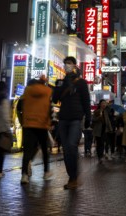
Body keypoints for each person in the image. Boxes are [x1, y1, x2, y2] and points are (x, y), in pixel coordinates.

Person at [52, 56, 91, 190]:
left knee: (71, 146)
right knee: (66, 150)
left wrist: (88, 118)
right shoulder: (61, 82)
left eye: (69, 63)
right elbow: (55, 99)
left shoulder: (81, 83)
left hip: (76, 118)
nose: (66, 65)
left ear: (74, 65)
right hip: (63, 119)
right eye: (65, 64)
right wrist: (58, 86)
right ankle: (72, 177)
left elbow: (86, 101)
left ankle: (74, 176)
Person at [19, 76, 53, 184]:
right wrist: (49, 122)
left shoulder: (27, 91)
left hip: (29, 123)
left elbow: (21, 106)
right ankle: (46, 172)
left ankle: (24, 175)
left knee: (27, 151)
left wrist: (23, 121)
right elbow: (49, 108)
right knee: (44, 149)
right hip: (42, 124)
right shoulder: (47, 91)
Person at [92, 99, 113, 164]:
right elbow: (93, 120)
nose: (104, 104)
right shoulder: (96, 111)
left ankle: (100, 156)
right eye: (103, 103)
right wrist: (99, 117)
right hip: (98, 130)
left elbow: (108, 121)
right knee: (99, 144)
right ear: (100, 104)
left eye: (105, 103)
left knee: (102, 143)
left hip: (104, 130)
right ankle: (99, 157)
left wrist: (110, 129)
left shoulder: (105, 112)